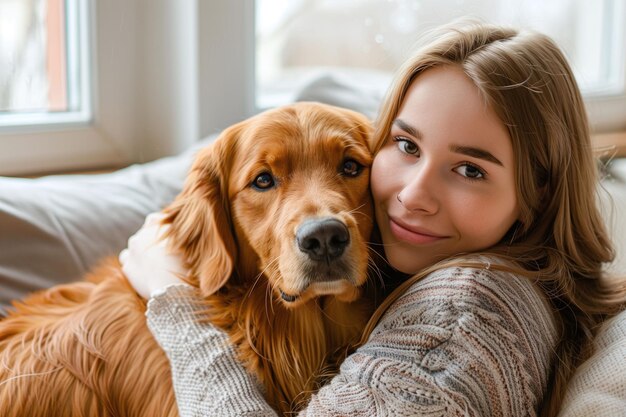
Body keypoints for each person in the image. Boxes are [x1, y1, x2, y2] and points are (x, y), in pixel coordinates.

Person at [120, 22, 626, 416]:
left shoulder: (457, 323)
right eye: (406, 145)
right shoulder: (485, 280)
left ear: (539, 191)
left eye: (470, 169)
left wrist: (175, 303)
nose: (412, 193)